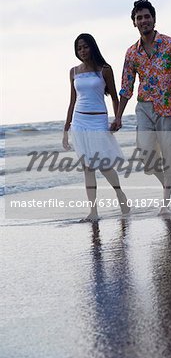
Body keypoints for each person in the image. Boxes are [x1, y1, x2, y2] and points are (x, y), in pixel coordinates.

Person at [110, 0, 171, 215]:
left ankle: (165, 203)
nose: (144, 20)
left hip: (169, 106)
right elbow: (126, 87)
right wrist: (118, 117)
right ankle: (166, 181)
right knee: (145, 154)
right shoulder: (131, 53)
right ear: (134, 23)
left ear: (154, 19)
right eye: (139, 18)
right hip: (145, 107)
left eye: (147, 16)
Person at [63, 33, 130, 222]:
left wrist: (118, 118)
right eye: (79, 48)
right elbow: (72, 102)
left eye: (85, 47)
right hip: (79, 122)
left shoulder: (104, 69)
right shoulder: (73, 71)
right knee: (87, 167)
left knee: (103, 164)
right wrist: (66, 130)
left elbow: (115, 97)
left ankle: (119, 194)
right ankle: (93, 211)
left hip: (98, 121)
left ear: (92, 47)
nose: (82, 51)